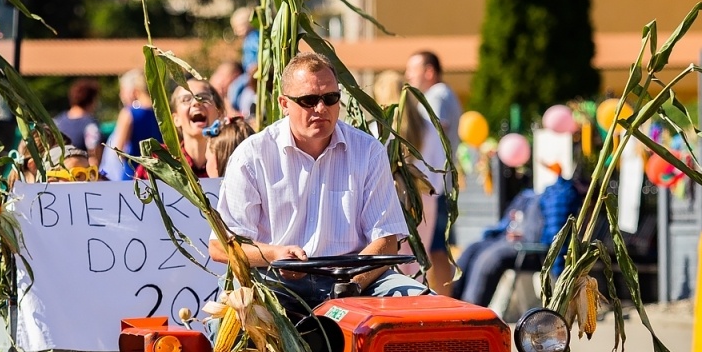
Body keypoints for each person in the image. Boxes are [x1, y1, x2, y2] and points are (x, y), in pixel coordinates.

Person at [212, 52, 423, 297]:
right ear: (284, 104)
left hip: (354, 277)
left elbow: (386, 239)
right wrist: (275, 254)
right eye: (309, 100)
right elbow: (220, 246)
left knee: (417, 303)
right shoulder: (252, 154)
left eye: (331, 98)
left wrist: (352, 284)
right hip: (274, 279)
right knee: (236, 302)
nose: (321, 108)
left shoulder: (368, 151)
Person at [451, 163, 583, 307]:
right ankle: (453, 301)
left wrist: (560, 274)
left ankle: (472, 308)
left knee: (491, 258)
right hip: (514, 241)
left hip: (535, 251)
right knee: (473, 248)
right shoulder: (530, 196)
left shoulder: (563, 195)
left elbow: (557, 237)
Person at [405, 50, 463, 294]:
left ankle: (443, 299)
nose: (408, 76)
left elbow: (433, 129)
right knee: (439, 247)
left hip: (434, 185)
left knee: (436, 248)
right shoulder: (446, 94)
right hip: (441, 183)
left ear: (429, 72)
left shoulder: (436, 96)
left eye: (413, 70)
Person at [104, 68, 161, 180]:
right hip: (160, 173)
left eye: (122, 90)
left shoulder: (129, 113)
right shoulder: (161, 112)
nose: (121, 95)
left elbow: (118, 150)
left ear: (134, 91)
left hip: (134, 174)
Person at [168, 78, 225, 176]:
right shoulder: (160, 161)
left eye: (204, 97)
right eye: (186, 99)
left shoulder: (233, 160)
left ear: (219, 113)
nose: (196, 102)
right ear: (176, 119)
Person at [57, 79, 103, 166]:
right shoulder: (90, 125)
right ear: (92, 100)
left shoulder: (58, 121)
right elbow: (94, 158)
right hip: (80, 174)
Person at [225, 8, 260, 119]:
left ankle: (235, 108)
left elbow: (259, 51)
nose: (236, 32)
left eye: (238, 28)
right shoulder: (249, 39)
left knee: (234, 88)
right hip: (250, 71)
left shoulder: (253, 38)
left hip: (252, 72)